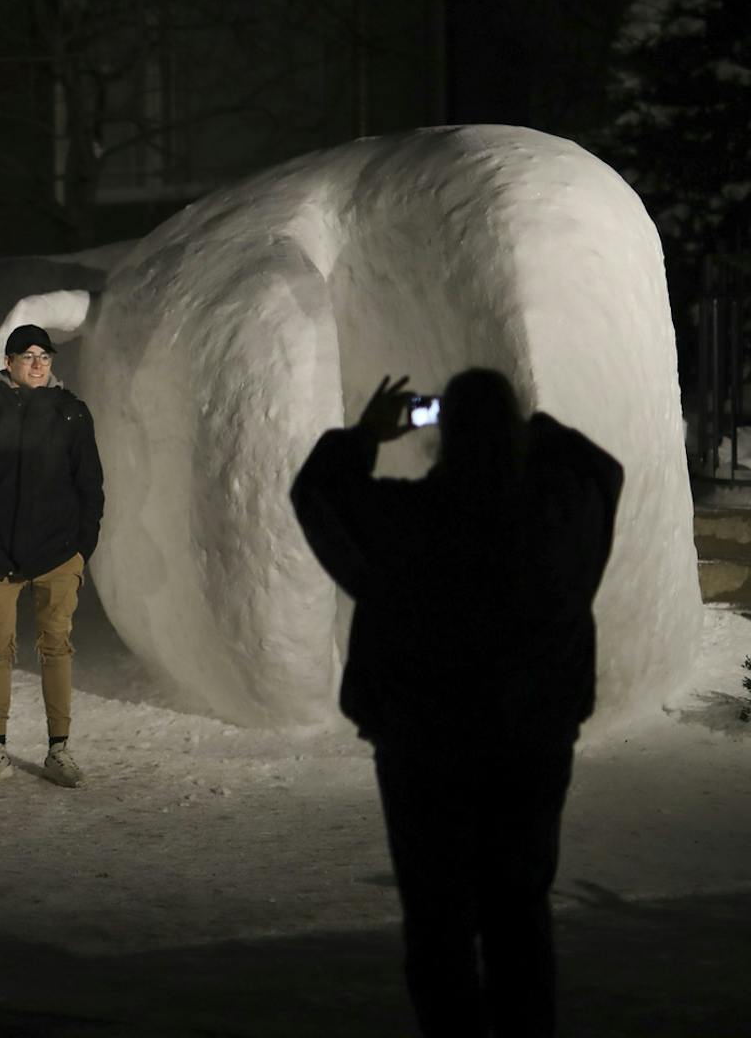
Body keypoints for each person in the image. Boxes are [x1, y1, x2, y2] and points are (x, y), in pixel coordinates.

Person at [290, 368, 622, 1038]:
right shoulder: (555, 522)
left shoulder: (406, 522)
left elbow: (320, 492)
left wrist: (370, 433)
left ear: (445, 435)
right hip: (530, 747)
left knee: (438, 923)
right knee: (519, 919)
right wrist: (530, 429)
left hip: (424, 752)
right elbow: (600, 470)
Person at [0, 323, 104, 788]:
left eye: (44, 357)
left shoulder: (72, 415)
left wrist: (80, 547)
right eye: (27, 356)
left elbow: (90, 484)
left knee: (56, 647)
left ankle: (59, 750)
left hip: (57, 553)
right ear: (8, 362)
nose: (37, 364)